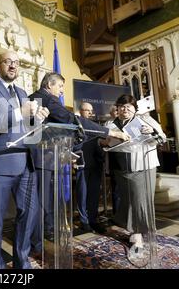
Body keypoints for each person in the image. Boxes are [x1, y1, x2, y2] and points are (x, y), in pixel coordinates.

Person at [28, 73, 128, 254]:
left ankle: (45, 234)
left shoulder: (40, 98)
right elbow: (72, 120)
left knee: (47, 199)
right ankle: (37, 241)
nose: (61, 91)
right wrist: (110, 133)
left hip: (49, 157)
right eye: (59, 86)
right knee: (42, 200)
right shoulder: (43, 98)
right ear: (50, 84)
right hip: (42, 158)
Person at [0, 50, 49, 269]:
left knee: (29, 214)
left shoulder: (23, 92)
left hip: (26, 163)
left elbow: (28, 129)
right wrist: (20, 112)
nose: (12, 66)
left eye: (16, 63)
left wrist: (38, 119)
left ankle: (21, 262)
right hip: (0, 161)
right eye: (8, 61)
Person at [107, 94, 166, 252]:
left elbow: (162, 138)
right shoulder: (111, 123)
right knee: (127, 200)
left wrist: (152, 132)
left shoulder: (145, 120)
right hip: (121, 168)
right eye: (121, 106)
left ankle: (138, 233)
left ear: (135, 109)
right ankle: (134, 229)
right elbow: (106, 142)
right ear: (117, 109)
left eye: (128, 107)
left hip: (143, 165)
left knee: (140, 200)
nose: (125, 109)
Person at [75, 102, 106, 233]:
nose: (89, 113)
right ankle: (84, 221)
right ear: (80, 111)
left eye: (91, 111)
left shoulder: (96, 126)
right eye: (87, 110)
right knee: (83, 194)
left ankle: (93, 219)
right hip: (82, 164)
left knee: (94, 194)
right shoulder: (75, 125)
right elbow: (72, 144)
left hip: (96, 164)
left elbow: (102, 142)